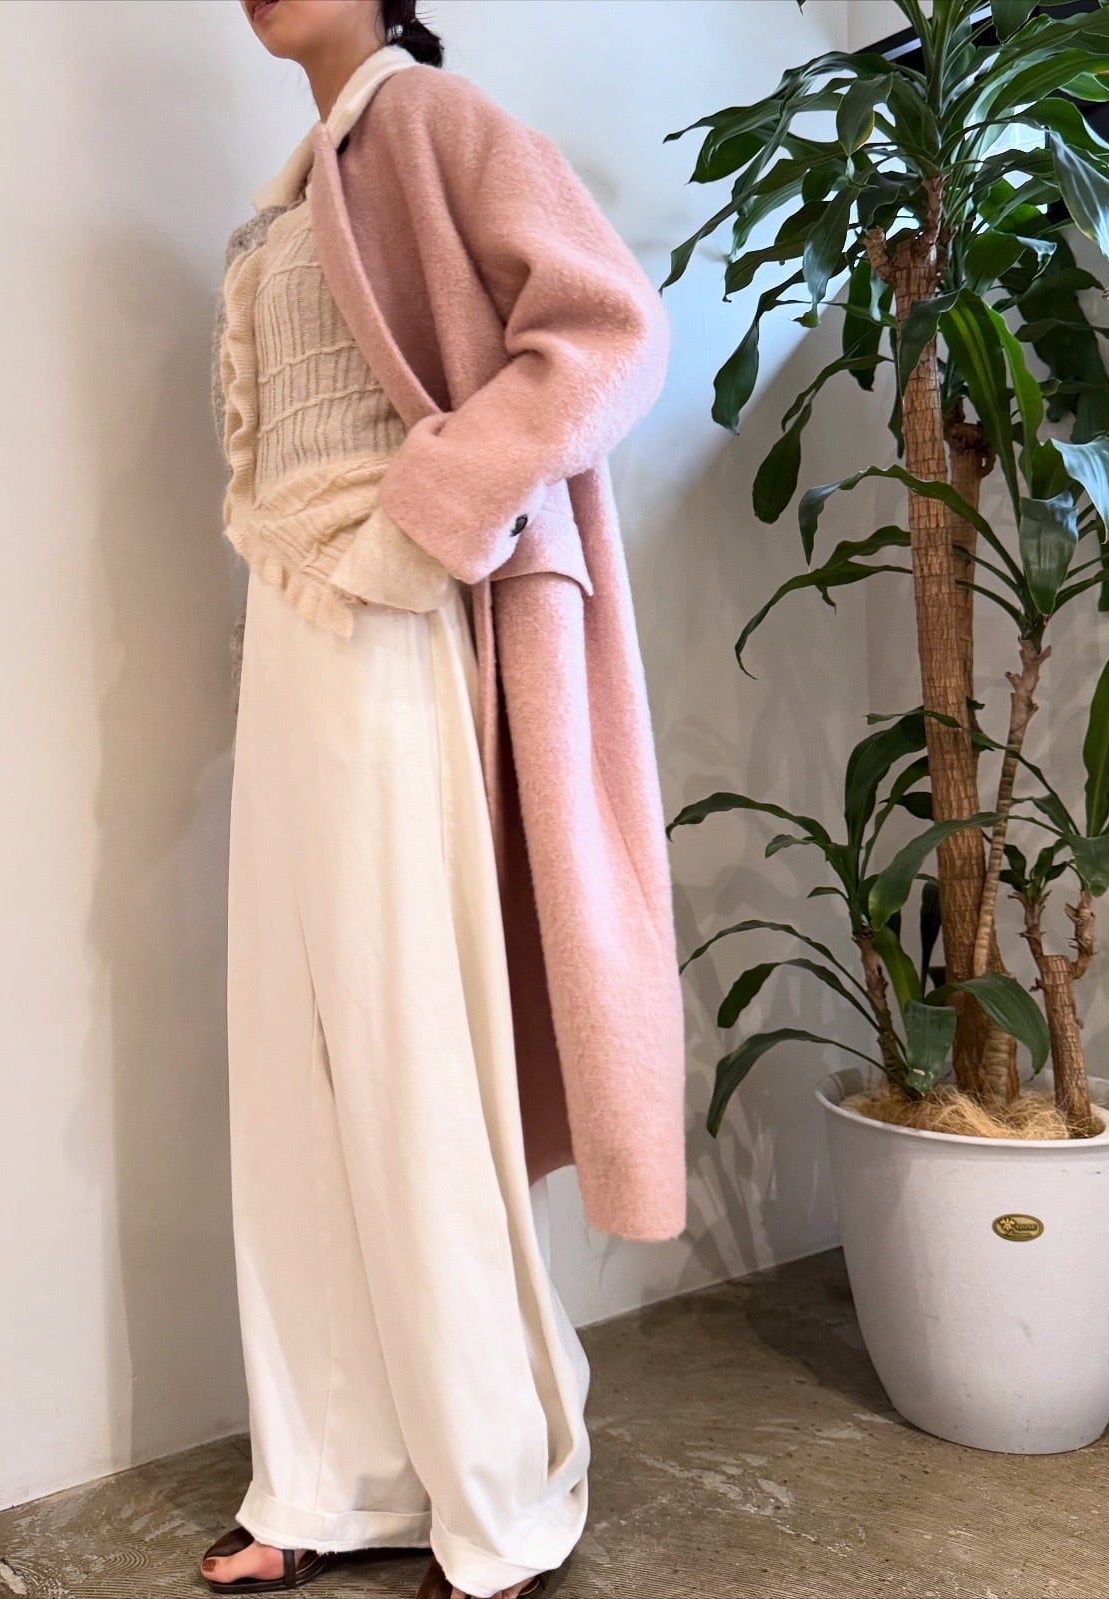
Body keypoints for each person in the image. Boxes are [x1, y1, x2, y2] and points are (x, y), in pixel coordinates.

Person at [202, 3, 680, 1595]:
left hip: (391, 614)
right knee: (295, 1057)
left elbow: (608, 327)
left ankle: (497, 1489)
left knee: (407, 1050)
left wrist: (422, 525)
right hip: (296, 621)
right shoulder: (308, 174)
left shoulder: (425, 121)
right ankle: (329, 1474)